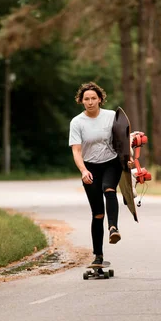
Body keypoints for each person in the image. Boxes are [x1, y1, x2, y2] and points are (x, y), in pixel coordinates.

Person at [69, 82, 122, 267]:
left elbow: (123, 141)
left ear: (100, 99)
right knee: (97, 214)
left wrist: (128, 159)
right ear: (81, 101)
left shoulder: (112, 117)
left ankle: (113, 228)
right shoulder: (77, 122)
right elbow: (76, 151)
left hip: (111, 163)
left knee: (109, 190)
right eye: (86, 99)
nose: (90, 102)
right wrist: (83, 171)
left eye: (93, 98)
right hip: (90, 166)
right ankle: (98, 256)